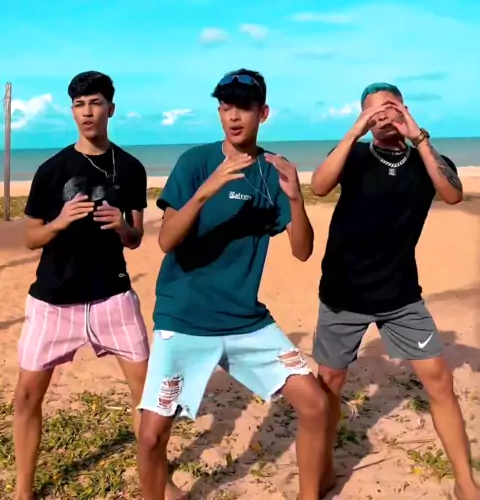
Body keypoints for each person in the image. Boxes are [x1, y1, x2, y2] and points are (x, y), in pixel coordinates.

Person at [137, 69, 330, 500]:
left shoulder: (272, 170)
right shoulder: (196, 162)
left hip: (245, 320)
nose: (234, 117)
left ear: (263, 113)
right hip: (184, 316)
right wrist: (206, 190)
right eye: (225, 107)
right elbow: (166, 241)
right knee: (151, 436)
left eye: (243, 107)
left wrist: (295, 198)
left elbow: (302, 251)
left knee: (315, 404)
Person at [311, 82, 480, 500]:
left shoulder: (427, 158)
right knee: (329, 382)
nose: (383, 117)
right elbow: (318, 186)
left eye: (390, 108)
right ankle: (325, 466)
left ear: (405, 109)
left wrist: (418, 136)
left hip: (401, 295)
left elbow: (453, 194)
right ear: (363, 119)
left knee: (439, 380)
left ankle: (465, 482)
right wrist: (355, 131)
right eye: (373, 112)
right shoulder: (353, 155)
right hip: (343, 291)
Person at [13, 71, 150, 500]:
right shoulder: (51, 170)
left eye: (95, 102)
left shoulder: (131, 168)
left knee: (146, 398)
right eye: (79, 104)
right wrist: (59, 222)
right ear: (72, 111)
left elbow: (136, 238)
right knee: (26, 398)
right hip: (54, 300)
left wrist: (121, 226)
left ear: (111, 108)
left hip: (113, 297)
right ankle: (23, 491)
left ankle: (156, 481)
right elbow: (31, 237)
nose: (87, 112)